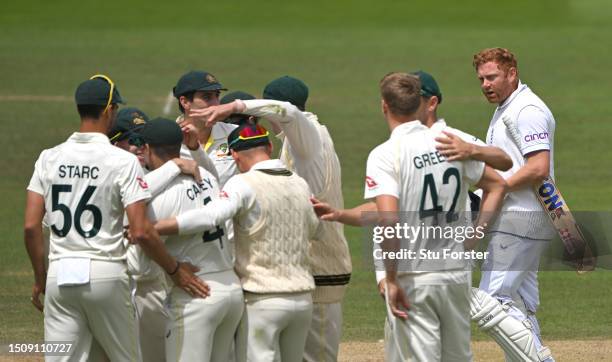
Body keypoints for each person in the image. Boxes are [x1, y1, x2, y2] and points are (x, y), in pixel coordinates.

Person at [23, 75, 209, 361]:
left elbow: (32, 225)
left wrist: (40, 278)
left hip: (60, 275)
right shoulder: (122, 161)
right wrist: (174, 270)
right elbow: (142, 231)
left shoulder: (49, 157)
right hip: (106, 273)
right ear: (109, 110)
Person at [197, 76, 351, 362]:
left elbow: (288, 112)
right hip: (303, 273)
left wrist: (235, 106)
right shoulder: (299, 141)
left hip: (319, 272)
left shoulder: (308, 136)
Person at [365, 72, 507, 361]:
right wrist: (474, 236)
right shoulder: (449, 143)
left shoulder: (384, 154)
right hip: (456, 273)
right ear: (420, 102)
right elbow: (498, 183)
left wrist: (389, 278)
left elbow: (389, 222)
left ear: (384, 106)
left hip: (414, 275)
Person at [154, 124, 318, 362]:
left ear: (235, 155)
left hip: (263, 300)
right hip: (303, 301)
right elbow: (317, 231)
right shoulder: (300, 183)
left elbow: (211, 216)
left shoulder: (242, 183)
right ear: (270, 146)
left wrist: (158, 227)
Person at [468, 47, 556, 361]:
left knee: (492, 301)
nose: (485, 85)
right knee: (519, 300)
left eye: (491, 77)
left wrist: (497, 188)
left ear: (511, 73)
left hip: (521, 217)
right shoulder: (508, 107)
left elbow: (538, 167)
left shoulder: (526, 110)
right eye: (481, 79)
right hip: (520, 215)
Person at [137, 118, 243, 362]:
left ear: (147, 149)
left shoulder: (158, 196)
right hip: (230, 289)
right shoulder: (205, 174)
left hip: (196, 293)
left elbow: (139, 261)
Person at [173, 70, 237, 187]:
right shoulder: (167, 138)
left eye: (217, 95)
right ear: (185, 102)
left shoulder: (235, 133)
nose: (216, 104)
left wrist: (238, 107)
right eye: (207, 97)